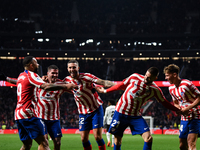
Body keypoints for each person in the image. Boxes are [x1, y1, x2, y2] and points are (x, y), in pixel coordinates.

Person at [95, 67, 181, 150]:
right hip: (120, 113)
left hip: (135, 116)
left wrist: (178, 110)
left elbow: (164, 102)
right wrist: (105, 91)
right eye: (146, 75)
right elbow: (120, 85)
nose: (146, 78)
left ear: (155, 78)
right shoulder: (135, 77)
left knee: (148, 138)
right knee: (117, 141)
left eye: (149, 78)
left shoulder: (155, 90)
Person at [10, 56, 77, 150]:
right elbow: (45, 86)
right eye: (36, 63)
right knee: (44, 143)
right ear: (31, 65)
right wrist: (66, 86)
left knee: (27, 144)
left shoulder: (21, 75)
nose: (38, 65)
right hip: (29, 114)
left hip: (19, 114)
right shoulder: (33, 76)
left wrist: (6, 78)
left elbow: (17, 82)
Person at [63, 60, 116, 150]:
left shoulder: (86, 77)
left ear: (78, 68)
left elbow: (102, 82)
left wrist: (118, 85)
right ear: (67, 69)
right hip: (83, 112)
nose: (72, 69)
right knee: (83, 138)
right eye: (70, 68)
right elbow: (56, 84)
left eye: (74, 67)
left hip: (96, 109)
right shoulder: (66, 80)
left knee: (97, 137)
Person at [164, 64, 200, 150]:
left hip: (195, 116)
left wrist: (188, 108)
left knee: (191, 143)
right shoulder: (171, 88)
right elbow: (175, 102)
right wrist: (178, 110)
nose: (166, 78)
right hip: (184, 119)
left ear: (175, 75)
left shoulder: (186, 84)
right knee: (182, 145)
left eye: (167, 75)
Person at [37, 64, 71, 150]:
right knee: (44, 142)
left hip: (54, 119)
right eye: (53, 73)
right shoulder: (40, 82)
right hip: (41, 118)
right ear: (47, 73)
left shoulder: (60, 84)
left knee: (58, 142)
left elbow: (72, 88)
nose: (55, 75)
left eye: (56, 73)